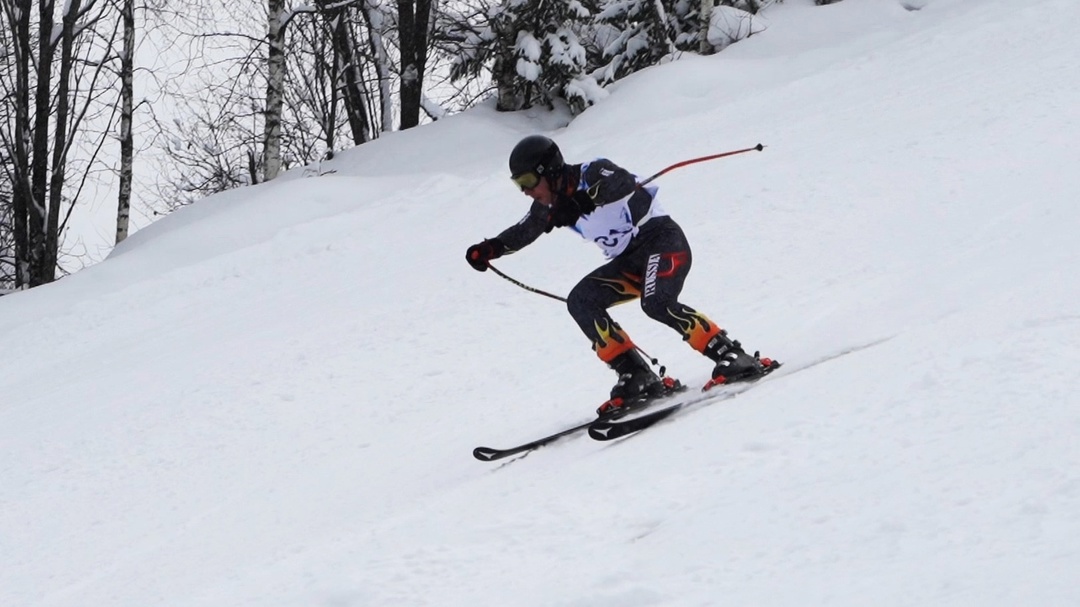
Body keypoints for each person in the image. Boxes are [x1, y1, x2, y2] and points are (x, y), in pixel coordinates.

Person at [466, 135, 774, 414]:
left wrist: (582, 201)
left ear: (550, 171)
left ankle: (733, 354)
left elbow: (622, 183)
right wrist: (491, 248)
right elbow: (524, 231)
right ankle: (638, 374)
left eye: (529, 180)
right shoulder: (548, 206)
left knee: (656, 302)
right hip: (629, 263)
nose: (526, 191)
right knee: (581, 300)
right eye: (518, 184)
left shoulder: (592, 172)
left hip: (662, 243)